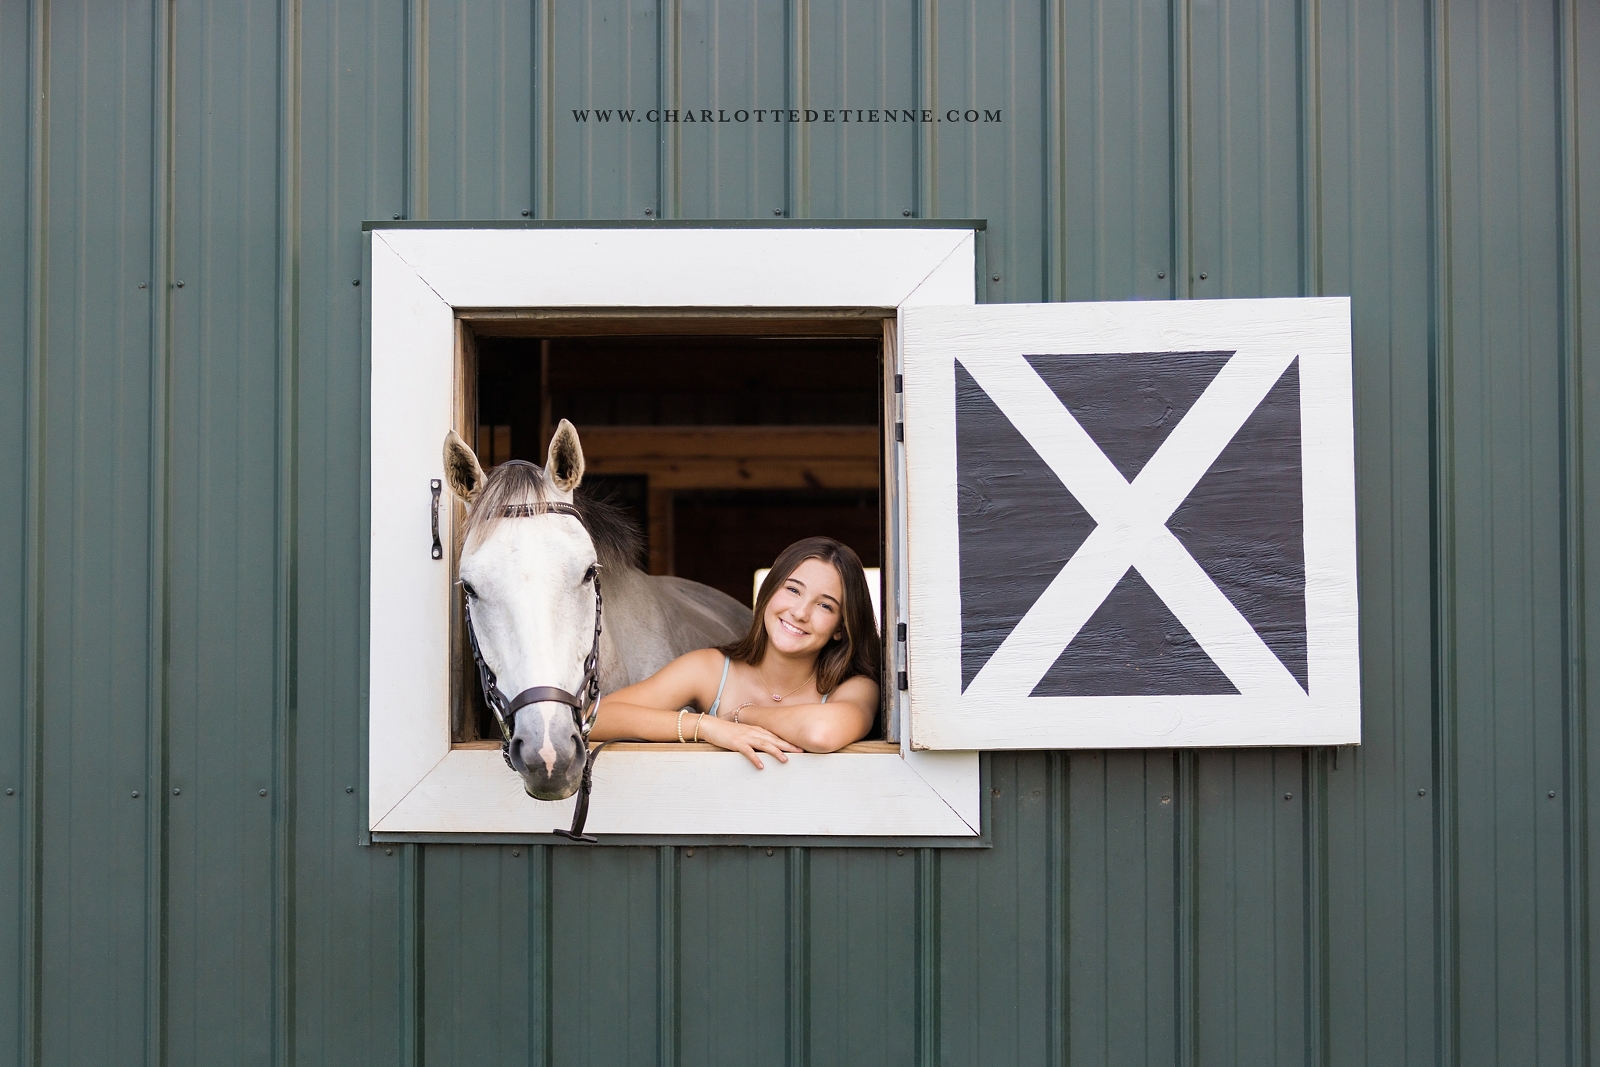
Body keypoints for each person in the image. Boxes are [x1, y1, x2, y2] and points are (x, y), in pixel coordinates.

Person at [588, 536, 881, 767]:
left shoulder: (856, 687)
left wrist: (744, 715)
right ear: (769, 593)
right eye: (792, 590)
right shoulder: (710, 668)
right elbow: (595, 717)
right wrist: (707, 727)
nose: (800, 612)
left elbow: (821, 733)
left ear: (841, 628)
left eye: (825, 605)